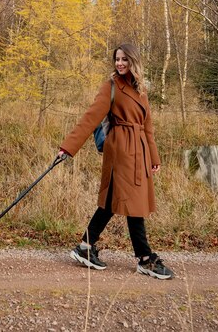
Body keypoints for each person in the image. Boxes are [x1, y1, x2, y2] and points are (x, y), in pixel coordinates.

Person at [58, 43, 174, 280]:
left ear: (134, 61)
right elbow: (90, 119)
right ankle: (144, 258)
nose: (119, 63)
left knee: (113, 200)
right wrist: (68, 148)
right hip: (121, 150)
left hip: (139, 151)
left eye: (124, 59)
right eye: (117, 59)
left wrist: (154, 156)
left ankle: (85, 247)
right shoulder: (110, 87)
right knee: (134, 202)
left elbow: (148, 127)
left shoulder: (141, 89)